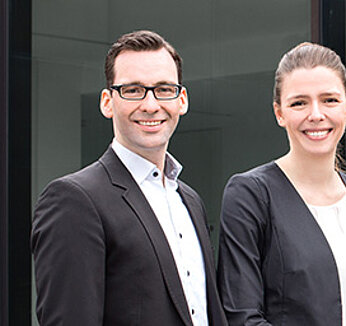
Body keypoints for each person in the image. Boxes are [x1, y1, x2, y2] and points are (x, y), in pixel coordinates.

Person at [31, 30, 227, 326]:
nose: (150, 105)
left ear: (182, 100)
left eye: (163, 89)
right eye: (133, 90)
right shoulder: (74, 200)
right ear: (107, 102)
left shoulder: (189, 199)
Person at [216, 42, 346, 326]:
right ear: (279, 112)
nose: (316, 114)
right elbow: (241, 317)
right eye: (299, 103)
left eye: (329, 100)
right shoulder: (250, 195)